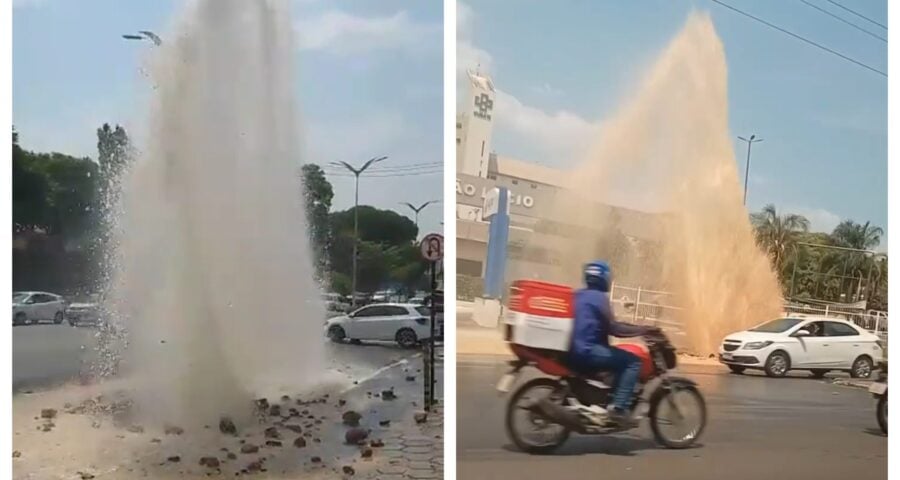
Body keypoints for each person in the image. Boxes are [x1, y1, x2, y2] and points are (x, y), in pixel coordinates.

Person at [567, 260, 658, 426]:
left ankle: (606, 397)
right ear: (604, 278)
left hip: (572, 349)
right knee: (632, 362)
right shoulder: (599, 298)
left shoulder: (578, 295)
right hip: (587, 350)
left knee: (614, 357)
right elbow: (615, 328)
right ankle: (618, 409)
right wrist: (641, 330)